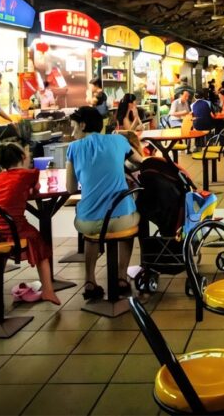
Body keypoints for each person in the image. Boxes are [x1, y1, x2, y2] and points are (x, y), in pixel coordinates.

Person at [0, 142, 60, 305]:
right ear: (23, 157)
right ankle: (48, 290)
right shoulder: (28, 174)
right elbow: (36, 189)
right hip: (14, 227)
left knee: (2, 252)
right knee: (42, 248)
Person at [66, 106, 144, 301]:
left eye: (74, 126)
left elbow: (70, 188)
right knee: (132, 222)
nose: (72, 132)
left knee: (91, 234)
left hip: (89, 221)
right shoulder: (119, 140)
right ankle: (121, 277)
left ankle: (90, 280)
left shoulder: (73, 148)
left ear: (83, 125)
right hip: (122, 219)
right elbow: (141, 162)